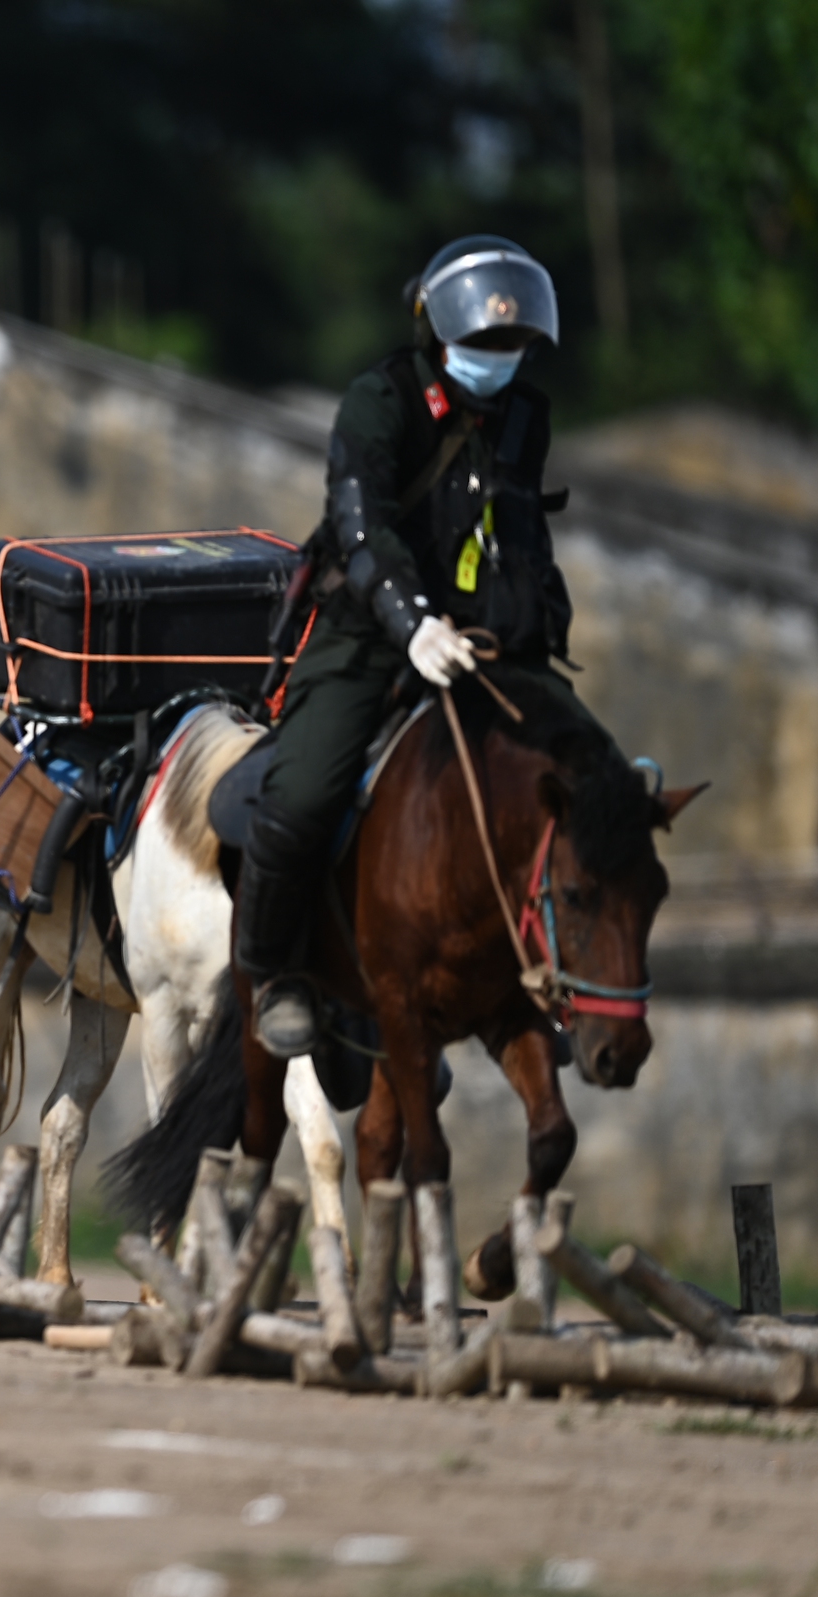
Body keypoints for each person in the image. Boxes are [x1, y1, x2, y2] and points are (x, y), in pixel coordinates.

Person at [238, 235, 602, 1057]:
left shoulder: (524, 415)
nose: (500, 355)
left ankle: (561, 977)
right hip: (371, 634)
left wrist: (527, 634)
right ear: (437, 332)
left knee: (594, 780)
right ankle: (275, 971)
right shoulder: (380, 400)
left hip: (486, 645)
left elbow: (519, 538)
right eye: (485, 339)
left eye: (515, 341)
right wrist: (414, 623)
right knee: (301, 798)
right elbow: (360, 524)